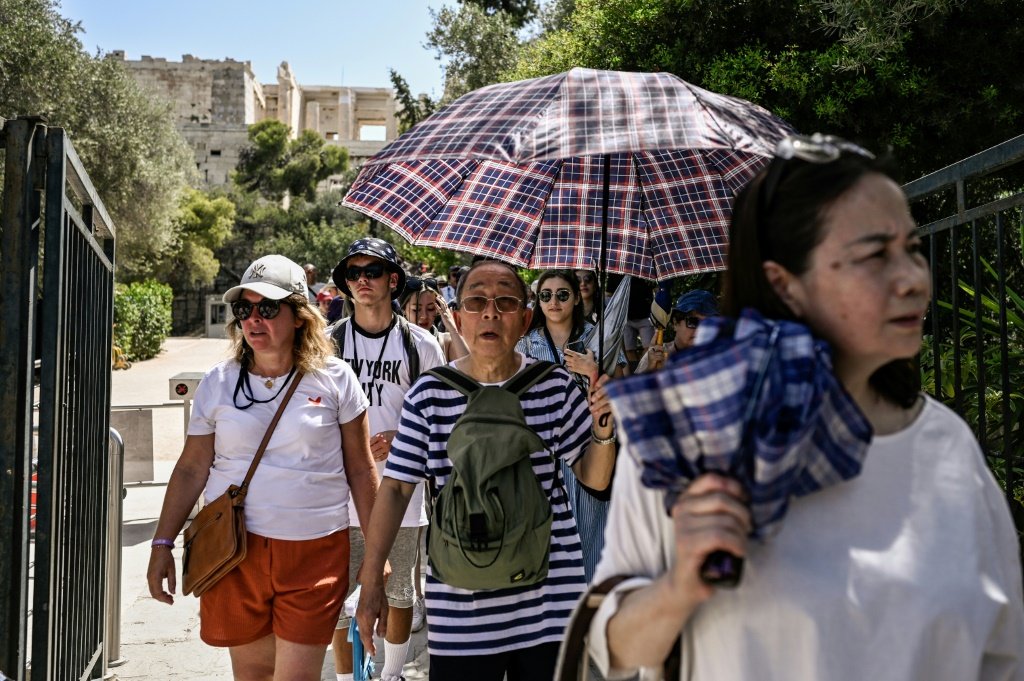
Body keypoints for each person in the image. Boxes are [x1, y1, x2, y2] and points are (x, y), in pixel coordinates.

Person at [587, 135, 1024, 679]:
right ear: (784, 284)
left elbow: (1002, 655)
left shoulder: (946, 440)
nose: (914, 278)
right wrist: (678, 588)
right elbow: (614, 653)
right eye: (874, 255)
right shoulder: (683, 435)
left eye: (911, 248)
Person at [356, 260, 618, 680]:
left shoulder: (554, 386)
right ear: (458, 318)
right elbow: (397, 488)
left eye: (506, 301)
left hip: (550, 600)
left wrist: (604, 429)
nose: (490, 312)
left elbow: (594, 477)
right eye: (476, 300)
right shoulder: (430, 392)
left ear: (525, 318)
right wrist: (372, 584)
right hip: (461, 607)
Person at [146, 254, 378, 681]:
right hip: (234, 552)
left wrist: (378, 558)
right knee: (252, 675)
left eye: (268, 308)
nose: (254, 319)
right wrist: (162, 543)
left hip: (315, 552)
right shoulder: (219, 380)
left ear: (299, 317)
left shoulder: (336, 378)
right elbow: (191, 468)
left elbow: (362, 471)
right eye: (244, 309)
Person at [328, 238, 446, 681]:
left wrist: (403, 435)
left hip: (401, 488)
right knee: (337, 594)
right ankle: (345, 677)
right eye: (354, 272)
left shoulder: (421, 345)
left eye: (372, 271)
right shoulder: (327, 343)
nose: (362, 279)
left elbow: (440, 417)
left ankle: (392, 674)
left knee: (398, 590)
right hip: (336, 492)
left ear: (392, 280)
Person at [516, 269, 627, 583]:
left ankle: (586, 613)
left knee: (590, 535)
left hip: (590, 451)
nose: (553, 302)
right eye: (546, 295)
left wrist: (594, 372)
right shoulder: (525, 345)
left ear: (577, 298)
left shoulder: (598, 338)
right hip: (541, 455)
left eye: (562, 294)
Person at [635, 290, 719, 373]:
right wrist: (651, 369)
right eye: (693, 322)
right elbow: (635, 386)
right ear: (675, 323)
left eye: (708, 323)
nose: (701, 329)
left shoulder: (718, 355)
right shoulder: (656, 355)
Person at [400, 276, 469, 361]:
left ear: (438, 309)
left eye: (430, 309)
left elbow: (469, 367)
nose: (424, 316)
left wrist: (452, 329)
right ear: (403, 310)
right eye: (416, 309)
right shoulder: (393, 341)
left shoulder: (446, 342)